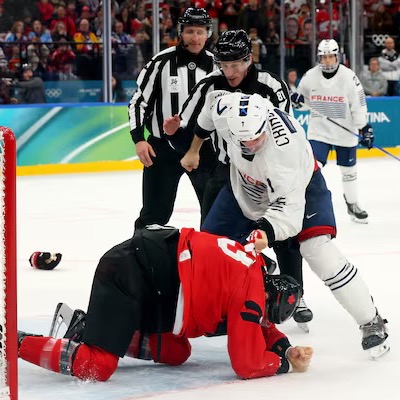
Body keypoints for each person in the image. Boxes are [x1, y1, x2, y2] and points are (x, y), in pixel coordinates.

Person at [175, 90, 389, 358]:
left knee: (317, 251)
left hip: (302, 188)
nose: (252, 145)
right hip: (244, 189)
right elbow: (210, 106)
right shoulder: (225, 110)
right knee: (209, 251)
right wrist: (194, 149)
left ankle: (370, 320)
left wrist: (265, 231)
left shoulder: (284, 153)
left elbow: (289, 210)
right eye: (244, 141)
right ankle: (227, 301)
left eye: (257, 138)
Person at [17, 225, 313, 381]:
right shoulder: (250, 297)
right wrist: (283, 363)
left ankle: (86, 327)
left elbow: (260, 323)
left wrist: (286, 347)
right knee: (98, 365)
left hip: (154, 276)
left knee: (175, 350)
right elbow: (246, 365)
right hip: (133, 273)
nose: (264, 320)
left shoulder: (254, 268)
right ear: (265, 299)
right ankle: (11, 342)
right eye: (267, 315)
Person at [164, 29, 310, 325]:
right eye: (224, 65)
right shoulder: (209, 86)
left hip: (267, 172)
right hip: (227, 170)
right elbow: (196, 127)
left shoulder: (271, 85)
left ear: (248, 60)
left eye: (235, 65)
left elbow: (286, 133)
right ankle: (233, 288)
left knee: (282, 232)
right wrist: (180, 140)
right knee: (211, 237)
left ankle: (295, 292)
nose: (229, 72)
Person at [128, 8, 217, 231]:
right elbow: (138, 102)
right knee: (153, 216)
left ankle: (212, 253)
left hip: (203, 150)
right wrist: (139, 139)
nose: (195, 37)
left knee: (215, 214)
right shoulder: (160, 62)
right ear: (180, 33)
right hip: (162, 149)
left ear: (208, 33)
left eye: (200, 32)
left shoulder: (217, 65)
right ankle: (142, 251)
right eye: (190, 31)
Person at [290, 39, 374, 224]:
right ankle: (306, 206)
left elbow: (358, 105)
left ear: (337, 57)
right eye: (324, 57)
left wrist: (364, 127)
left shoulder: (349, 77)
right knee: (312, 169)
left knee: (349, 172)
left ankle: (352, 204)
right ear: (319, 58)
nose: (327, 61)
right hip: (319, 131)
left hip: (345, 132)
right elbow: (303, 102)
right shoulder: (310, 76)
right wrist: (297, 101)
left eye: (330, 57)